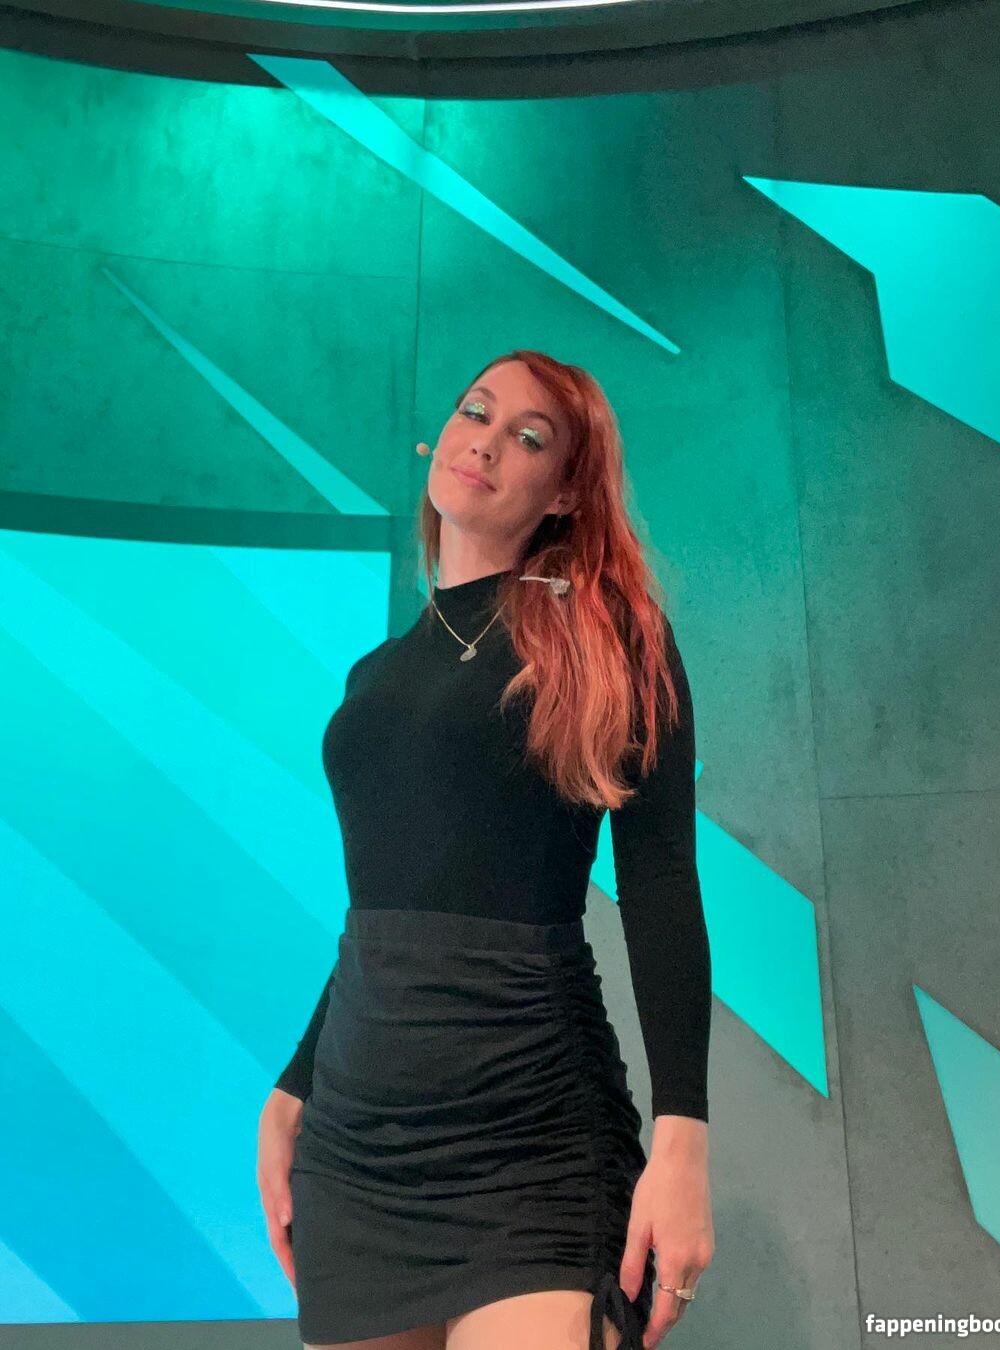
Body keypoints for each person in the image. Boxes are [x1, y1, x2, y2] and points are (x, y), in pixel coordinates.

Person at [256, 350, 714, 1350]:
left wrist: (683, 1141)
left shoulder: (610, 636)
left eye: (530, 436)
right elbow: (389, 912)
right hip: (356, 1143)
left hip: (530, 1131)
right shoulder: (375, 674)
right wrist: (295, 1082)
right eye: (477, 412)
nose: (489, 442)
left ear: (565, 493)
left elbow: (661, 883)